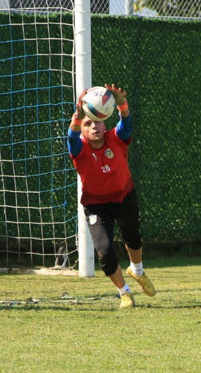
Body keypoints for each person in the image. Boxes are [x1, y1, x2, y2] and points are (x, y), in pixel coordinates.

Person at [67, 84, 156, 308]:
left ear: (104, 120)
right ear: (83, 130)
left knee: (133, 236)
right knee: (105, 253)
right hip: (96, 205)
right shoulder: (79, 149)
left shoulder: (116, 138)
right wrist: (78, 116)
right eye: (88, 124)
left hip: (124, 196)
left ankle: (137, 271)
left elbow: (127, 124)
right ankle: (124, 292)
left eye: (97, 122)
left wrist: (122, 104)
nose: (94, 126)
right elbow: (71, 136)